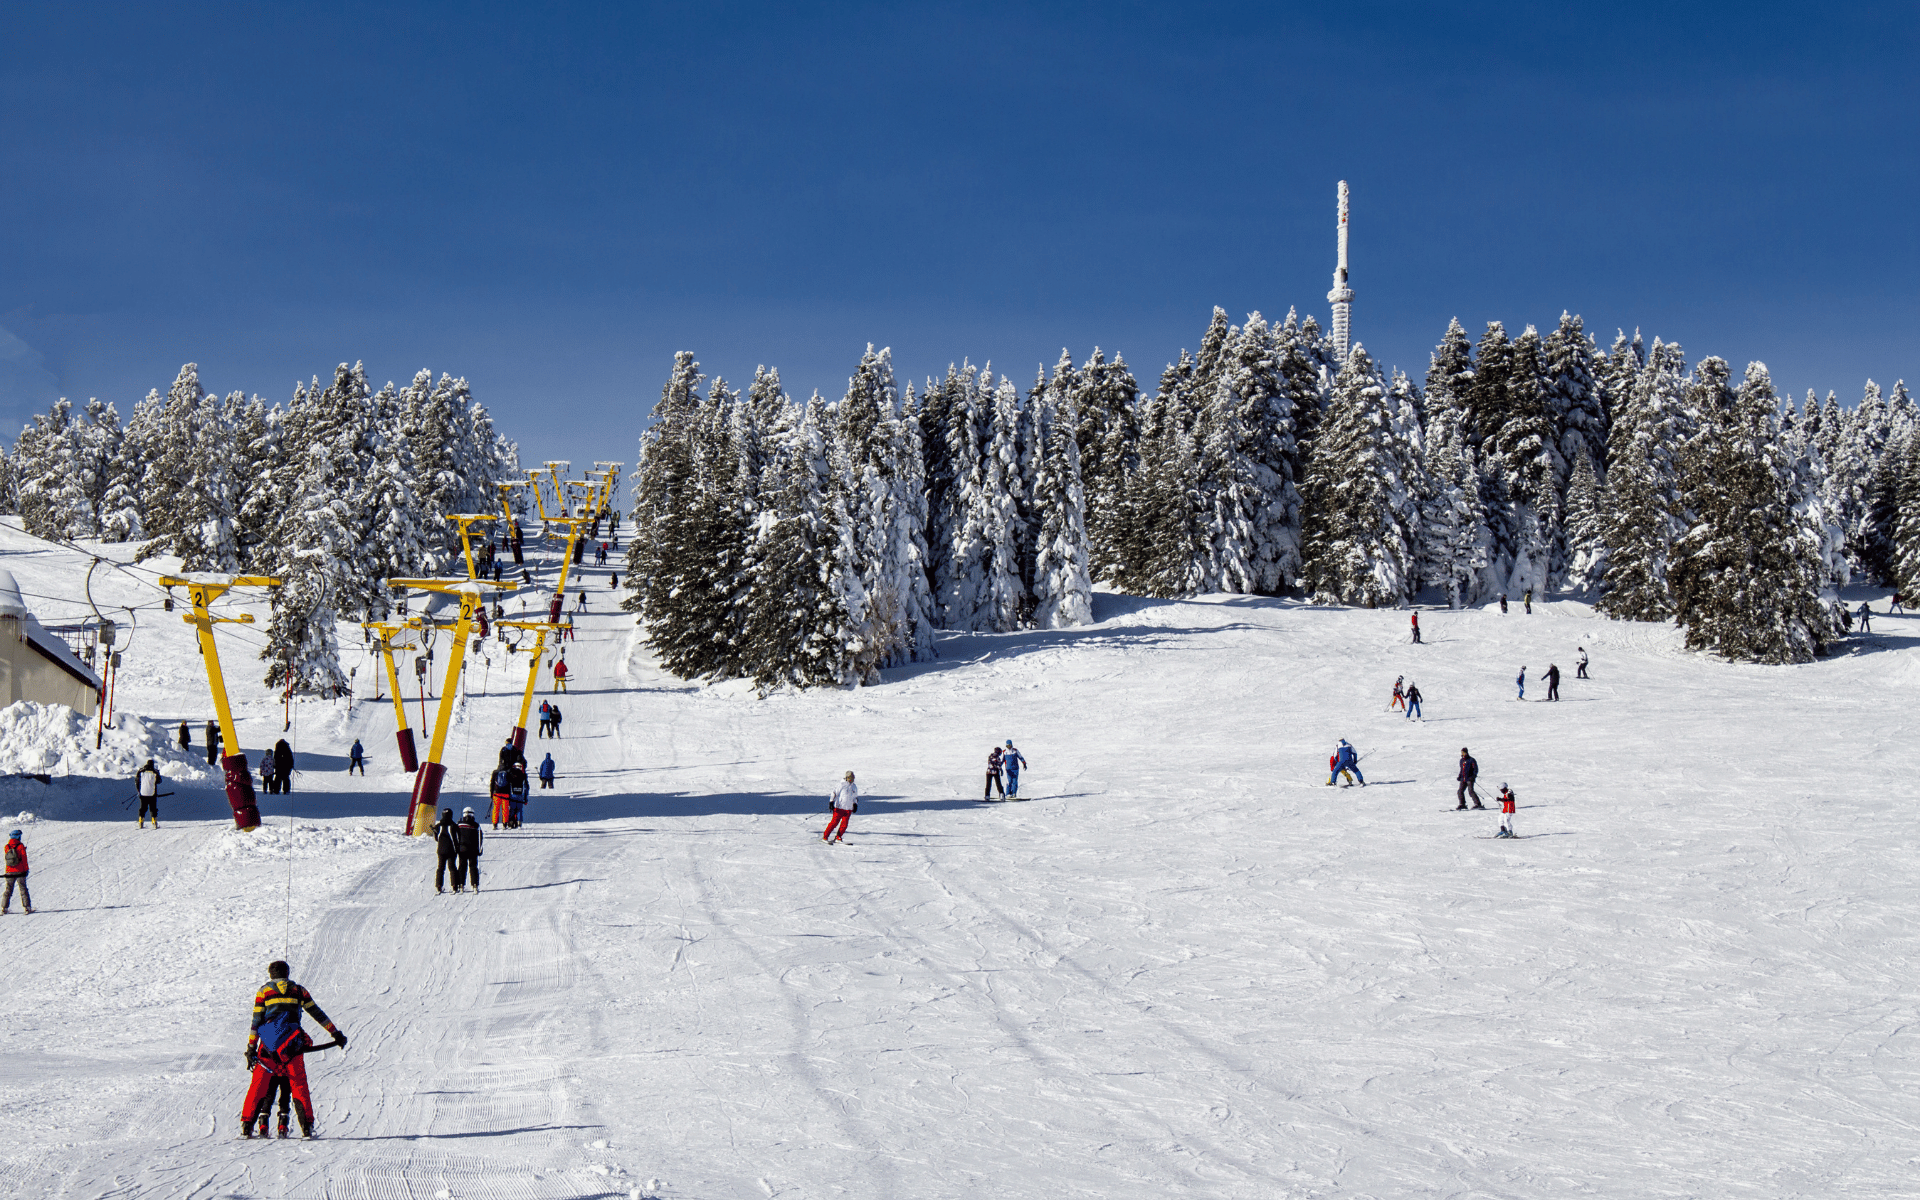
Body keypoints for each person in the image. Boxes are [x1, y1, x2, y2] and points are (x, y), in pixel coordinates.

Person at [241, 959, 346, 1139]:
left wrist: (251, 1048)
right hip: (292, 1049)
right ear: (287, 973)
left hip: (267, 1050)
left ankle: (247, 1126)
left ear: (270, 974)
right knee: (299, 1085)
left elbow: (256, 1022)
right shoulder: (298, 990)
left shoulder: (263, 991)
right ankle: (306, 1128)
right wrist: (334, 1033)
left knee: (258, 1086)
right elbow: (317, 1013)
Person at [452, 808, 483, 892]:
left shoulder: (459, 824)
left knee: (462, 867)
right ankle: (475, 885)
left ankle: (461, 885)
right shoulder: (476, 825)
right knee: (473, 867)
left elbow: (456, 836)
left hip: (462, 849)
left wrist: (457, 847)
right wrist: (480, 849)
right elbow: (480, 837)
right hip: (473, 850)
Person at [824, 771, 858, 843]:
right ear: (847, 777)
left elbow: (855, 797)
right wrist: (831, 802)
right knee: (834, 823)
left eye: (853, 778)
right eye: (850, 778)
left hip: (848, 808)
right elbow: (834, 793)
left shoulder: (854, 786)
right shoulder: (841, 785)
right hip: (839, 807)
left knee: (844, 824)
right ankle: (825, 837)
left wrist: (855, 804)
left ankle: (838, 837)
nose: (851, 779)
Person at [2, 830, 30, 914]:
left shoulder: (6, 846)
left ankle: (4, 908)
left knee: (8, 889)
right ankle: (27, 907)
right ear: (18, 836)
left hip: (9, 871)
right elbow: (24, 859)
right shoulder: (20, 846)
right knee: (23, 889)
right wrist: (26, 870)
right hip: (20, 871)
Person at [432, 808, 458, 892]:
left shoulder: (438, 825)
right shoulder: (453, 825)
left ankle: (439, 886)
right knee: (452, 868)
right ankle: (454, 886)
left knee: (440, 868)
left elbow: (436, 838)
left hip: (441, 850)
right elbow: (457, 837)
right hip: (451, 850)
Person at [135, 758, 163, 828]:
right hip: (152, 793)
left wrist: (138, 791)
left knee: (143, 808)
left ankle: (141, 822)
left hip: (143, 793)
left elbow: (137, 781)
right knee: (153, 808)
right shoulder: (155, 771)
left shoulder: (141, 771)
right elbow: (159, 781)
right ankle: (154, 823)